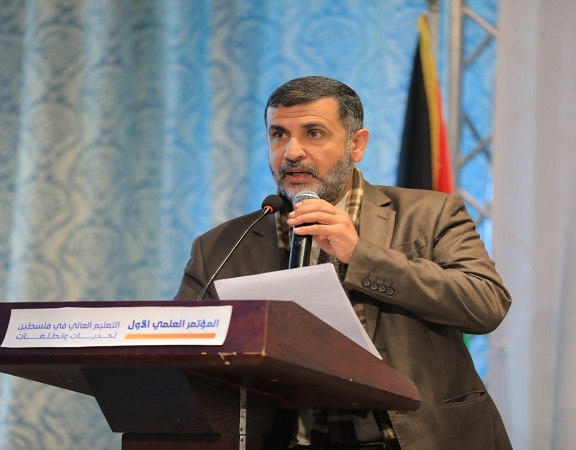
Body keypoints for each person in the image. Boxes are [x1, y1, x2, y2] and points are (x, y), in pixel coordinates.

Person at [175, 76, 512, 449]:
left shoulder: (430, 214)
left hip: (417, 437)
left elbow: (486, 306)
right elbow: (179, 352)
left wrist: (359, 253)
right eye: (278, 135)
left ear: (356, 144)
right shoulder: (222, 246)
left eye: (314, 133)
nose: (291, 152)